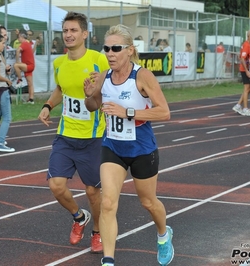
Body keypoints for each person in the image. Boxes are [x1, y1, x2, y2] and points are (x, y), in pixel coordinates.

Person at [83, 24, 174, 266]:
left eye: (116, 48)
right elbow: (93, 107)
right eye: (106, 48)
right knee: (108, 202)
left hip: (142, 150)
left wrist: (128, 112)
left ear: (129, 50)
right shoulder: (104, 76)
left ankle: (164, 235)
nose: (110, 53)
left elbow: (164, 112)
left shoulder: (142, 76)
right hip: (112, 147)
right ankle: (108, 261)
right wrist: (89, 95)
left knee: (148, 202)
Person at [37, 11, 109, 254]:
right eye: (65, 31)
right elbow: (60, 88)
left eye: (73, 30)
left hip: (93, 138)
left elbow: (110, 87)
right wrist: (48, 105)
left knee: (92, 191)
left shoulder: (99, 60)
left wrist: (98, 90)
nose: (68, 35)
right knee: (56, 185)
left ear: (85, 34)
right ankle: (79, 217)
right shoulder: (59, 63)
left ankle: (97, 230)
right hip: (66, 135)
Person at [232, 30, 250, 116]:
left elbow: (242, 56)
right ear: (248, 36)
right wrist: (246, 70)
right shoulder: (246, 45)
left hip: (249, 69)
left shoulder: (249, 45)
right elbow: (242, 58)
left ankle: (238, 105)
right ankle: (245, 108)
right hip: (245, 69)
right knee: (246, 88)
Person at [13, 29, 35, 104]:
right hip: (30, 65)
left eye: (19, 37)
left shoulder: (24, 44)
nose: (18, 39)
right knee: (30, 83)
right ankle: (31, 99)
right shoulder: (27, 43)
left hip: (28, 66)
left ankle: (20, 80)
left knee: (16, 65)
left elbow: (17, 50)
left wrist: (17, 61)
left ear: (22, 37)